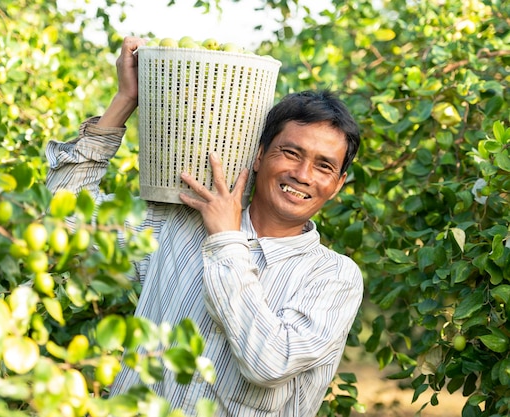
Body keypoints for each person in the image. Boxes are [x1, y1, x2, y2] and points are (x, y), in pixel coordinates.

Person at [45, 36, 363, 417]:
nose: (302, 174)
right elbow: (62, 213)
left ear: (338, 184)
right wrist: (125, 101)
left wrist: (227, 239)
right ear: (259, 155)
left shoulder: (335, 276)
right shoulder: (179, 225)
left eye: (324, 166)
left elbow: (269, 362)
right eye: (290, 153)